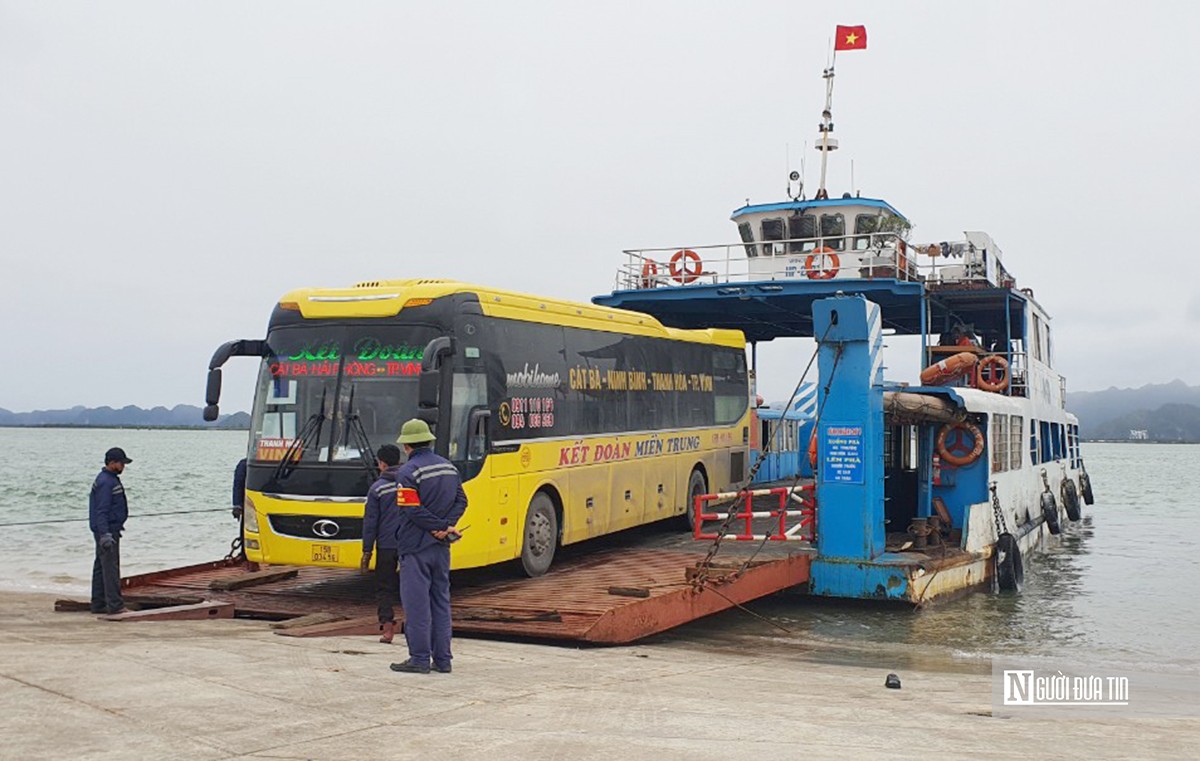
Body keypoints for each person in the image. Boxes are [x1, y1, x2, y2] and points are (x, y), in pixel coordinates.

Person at [389, 419, 466, 675]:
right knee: (441, 602)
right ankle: (443, 660)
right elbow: (461, 501)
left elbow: (411, 509)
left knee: (417, 605)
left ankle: (419, 658)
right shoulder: (449, 467)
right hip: (441, 547)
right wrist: (445, 527)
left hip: (415, 547)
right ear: (430, 441)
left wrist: (435, 526)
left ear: (407, 445)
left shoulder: (408, 472)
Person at [361, 444, 404, 643]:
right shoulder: (410, 484)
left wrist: (367, 551)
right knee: (411, 586)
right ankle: (414, 626)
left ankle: (387, 629)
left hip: (386, 546)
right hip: (409, 544)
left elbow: (370, 523)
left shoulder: (377, 489)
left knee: (384, 587)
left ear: (382, 464)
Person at [89, 447, 132, 615]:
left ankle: (98, 604)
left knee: (100, 566)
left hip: (107, 530)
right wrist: (105, 534)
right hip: (107, 532)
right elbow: (102, 511)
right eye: (122, 463)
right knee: (110, 568)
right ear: (113, 463)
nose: (124, 467)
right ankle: (115, 606)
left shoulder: (108, 478)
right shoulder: (106, 482)